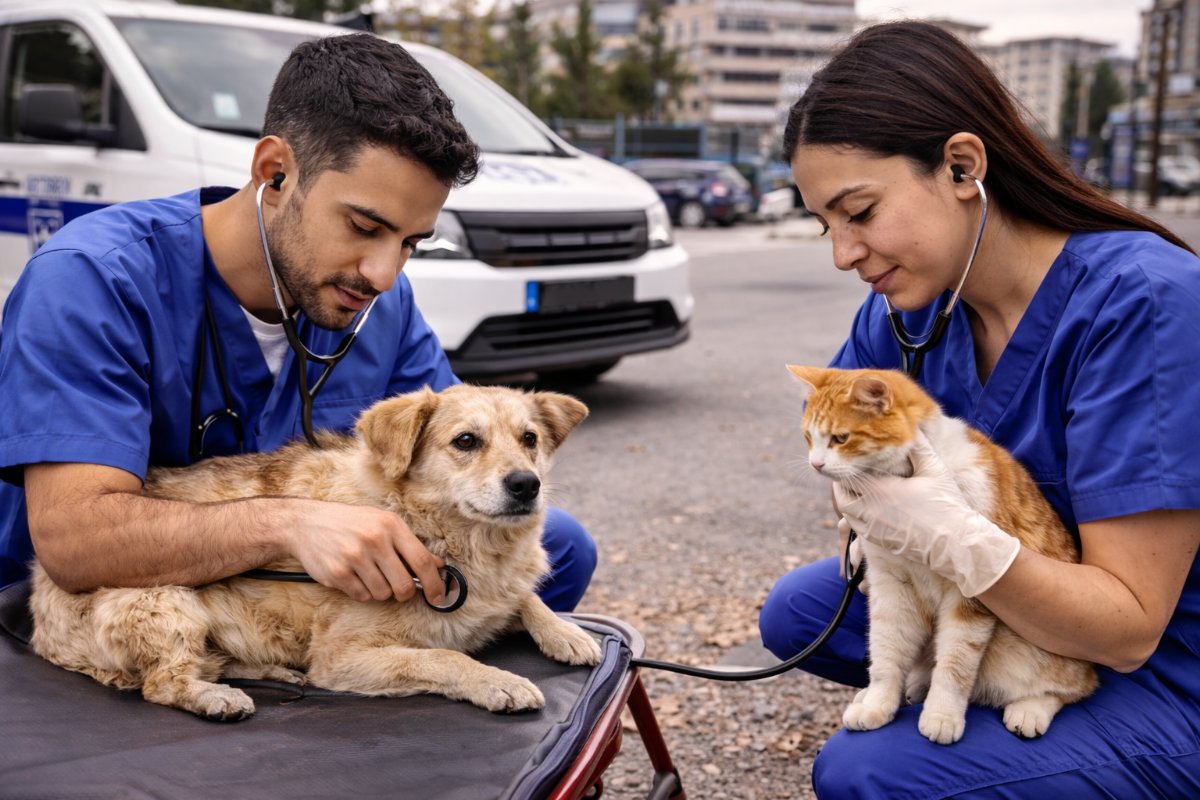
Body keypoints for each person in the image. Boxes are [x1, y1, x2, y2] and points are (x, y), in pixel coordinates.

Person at [0, 33, 595, 613]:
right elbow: (75, 543)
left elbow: (452, 467)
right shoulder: (92, 278)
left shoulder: (380, 304)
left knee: (562, 547)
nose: (384, 274)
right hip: (98, 602)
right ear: (275, 171)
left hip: (287, 599)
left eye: (410, 242)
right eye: (365, 227)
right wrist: (289, 522)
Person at [758, 21, 1200, 798]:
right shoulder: (905, 314)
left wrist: (956, 539)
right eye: (826, 224)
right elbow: (857, 465)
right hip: (1007, 614)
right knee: (797, 612)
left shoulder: (1144, 304)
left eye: (860, 212)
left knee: (868, 774)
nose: (843, 254)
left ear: (962, 166)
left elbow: (1130, 627)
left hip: (1157, 664)